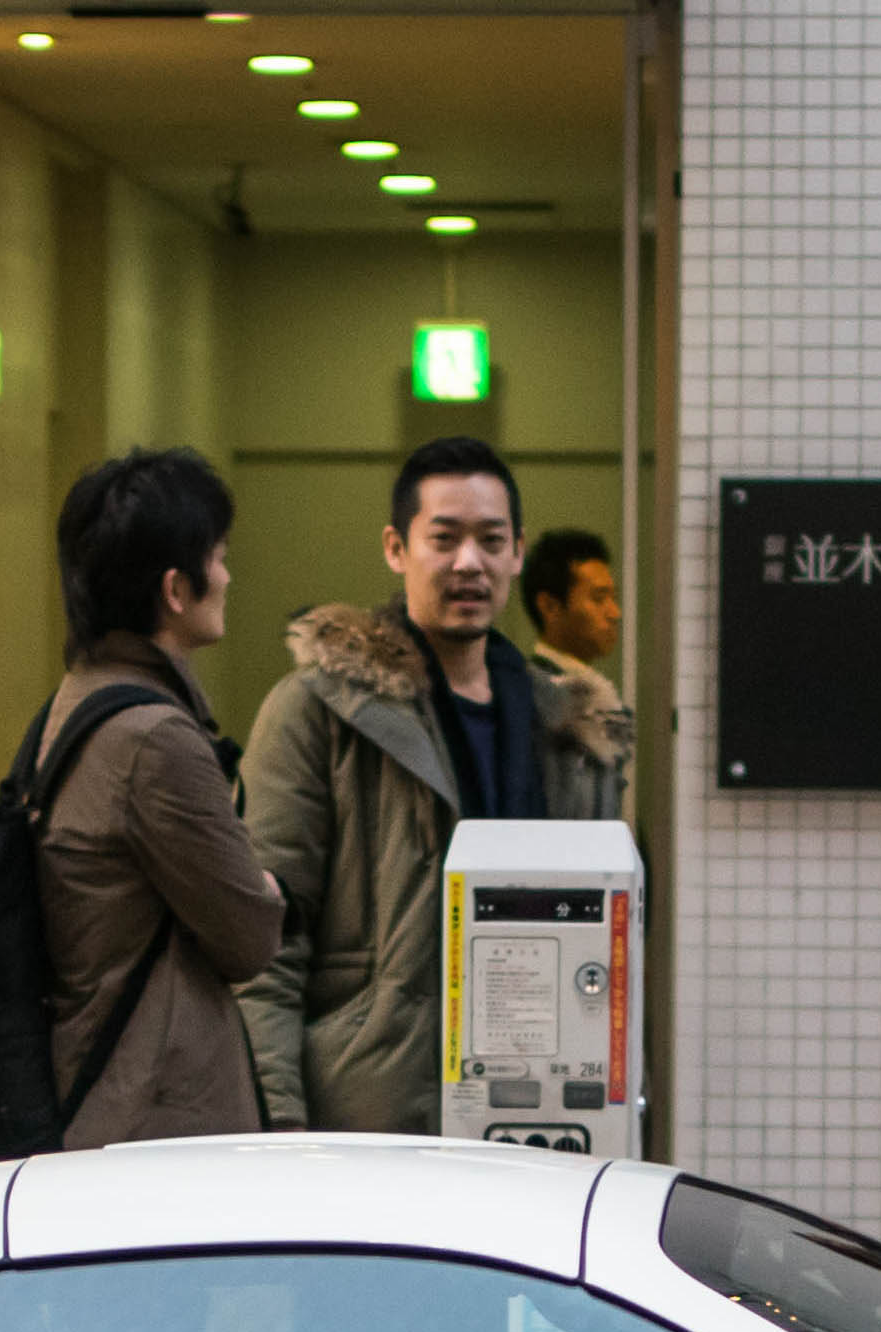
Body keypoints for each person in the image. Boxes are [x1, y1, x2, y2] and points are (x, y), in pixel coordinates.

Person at [233, 435, 630, 1134]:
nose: (468, 562)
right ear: (396, 548)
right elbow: (265, 948)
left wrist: (622, 1122)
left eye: (490, 539)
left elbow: (614, 955)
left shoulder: (571, 734)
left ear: (516, 552)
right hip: (370, 1122)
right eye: (443, 538)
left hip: (539, 1116)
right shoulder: (319, 711)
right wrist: (280, 1132)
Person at [35, 445, 282, 1145]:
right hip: (157, 1117)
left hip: (102, 1096)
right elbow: (251, 935)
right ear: (177, 590)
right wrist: (262, 885)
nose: (229, 576)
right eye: (220, 556)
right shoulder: (156, 741)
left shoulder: (77, 702)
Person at [519, 523, 623, 733]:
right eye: (599, 598)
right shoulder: (536, 696)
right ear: (549, 606)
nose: (615, 613)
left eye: (613, 598)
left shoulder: (591, 689)